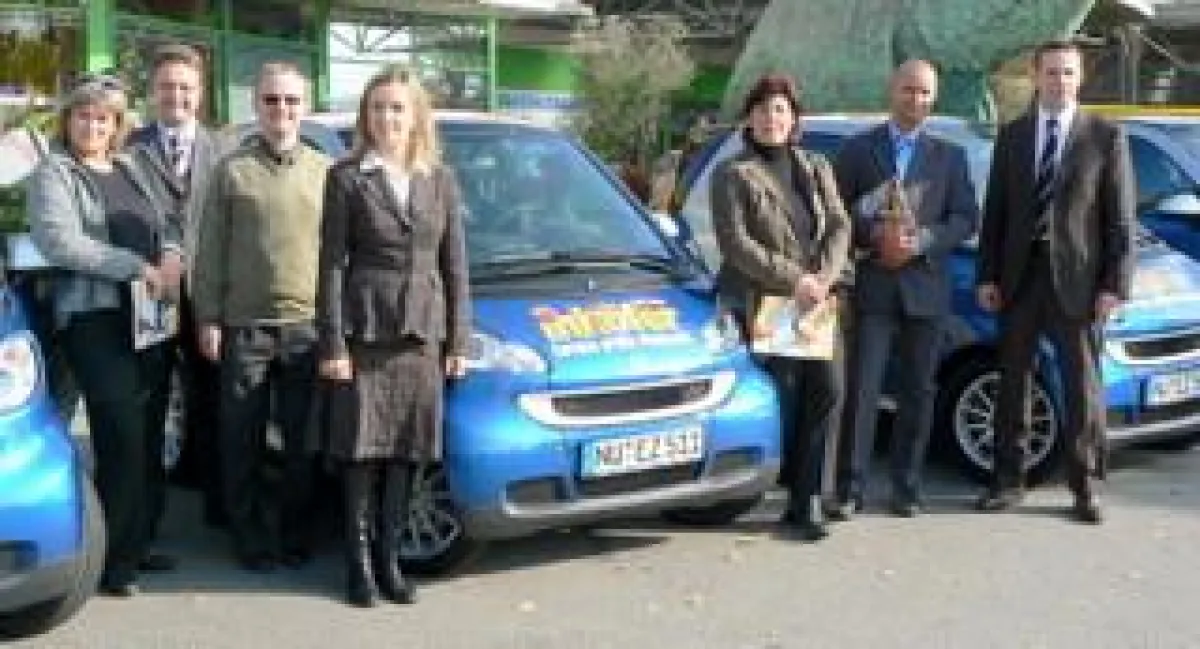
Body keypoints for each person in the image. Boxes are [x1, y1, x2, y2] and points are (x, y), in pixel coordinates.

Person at [317, 65, 470, 607]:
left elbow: (456, 267)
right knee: (361, 452)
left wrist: (459, 342)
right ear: (366, 117)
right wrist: (332, 344)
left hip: (421, 333)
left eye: (397, 108)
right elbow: (332, 266)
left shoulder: (440, 179)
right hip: (366, 331)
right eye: (378, 108)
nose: (387, 118)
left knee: (407, 450)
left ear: (416, 116)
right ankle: (357, 566)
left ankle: (389, 561)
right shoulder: (346, 177)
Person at [26, 74, 184, 596]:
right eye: (83, 116)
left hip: (148, 318)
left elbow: (169, 225)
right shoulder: (55, 173)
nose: (93, 125)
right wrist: (133, 265)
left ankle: (136, 544)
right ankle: (109, 560)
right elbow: (61, 244)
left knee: (148, 432)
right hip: (94, 322)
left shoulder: (132, 167)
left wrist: (170, 257)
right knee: (119, 436)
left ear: (118, 125)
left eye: (104, 118)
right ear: (67, 119)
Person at [975, 40, 1134, 524]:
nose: (1058, 82)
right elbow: (995, 214)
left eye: (1067, 74)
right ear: (1035, 75)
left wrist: (1114, 285)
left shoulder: (1105, 137)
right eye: (1050, 73)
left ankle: (1085, 486)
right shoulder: (1013, 136)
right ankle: (1007, 480)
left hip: (1079, 284)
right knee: (1013, 383)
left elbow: (1119, 221)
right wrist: (987, 275)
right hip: (1020, 280)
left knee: (1081, 387)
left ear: (1079, 79)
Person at [192, 61, 330, 571]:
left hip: (306, 327)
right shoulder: (233, 170)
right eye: (272, 100)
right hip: (244, 326)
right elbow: (209, 252)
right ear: (257, 106)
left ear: (305, 107)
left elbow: (336, 254)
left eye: (291, 100)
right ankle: (248, 536)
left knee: (302, 444)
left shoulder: (324, 171)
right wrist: (208, 317)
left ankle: (295, 534)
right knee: (241, 439)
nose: (282, 110)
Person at [831, 60, 979, 518]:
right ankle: (849, 487)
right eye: (908, 90)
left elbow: (965, 218)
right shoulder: (857, 150)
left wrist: (923, 242)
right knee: (862, 390)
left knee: (918, 392)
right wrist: (872, 236)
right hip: (873, 287)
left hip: (926, 289)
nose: (915, 99)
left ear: (934, 98)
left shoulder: (949, 157)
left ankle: (906, 486)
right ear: (891, 91)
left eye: (924, 93)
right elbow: (836, 217)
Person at [710, 73, 850, 541]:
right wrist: (798, 280)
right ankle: (787, 492)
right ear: (749, 119)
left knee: (827, 390)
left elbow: (839, 226)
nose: (771, 119)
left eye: (780, 110)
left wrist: (824, 278)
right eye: (762, 110)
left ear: (794, 119)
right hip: (768, 301)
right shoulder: (733, 173)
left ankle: (806, 496)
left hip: (816, 300)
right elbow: (737, 245)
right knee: (787, 397)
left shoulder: (816, 166)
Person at [127, 43, 226, 545]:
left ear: (200, 94)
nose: (177, 96)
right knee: (150, 400)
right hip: (150, 295)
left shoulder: (222, 149)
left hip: (207, 296)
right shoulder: (128, 148)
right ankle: (145, 521)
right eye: (167, 86)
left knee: (212, 398)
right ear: (153, 92)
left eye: (186, 87)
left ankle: (216, 506)